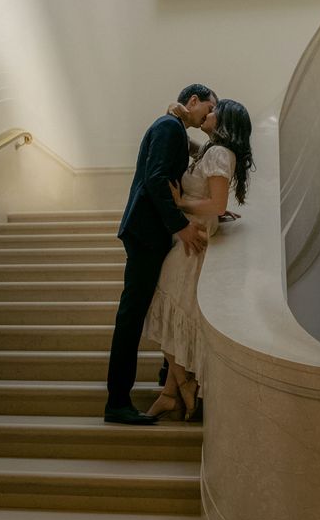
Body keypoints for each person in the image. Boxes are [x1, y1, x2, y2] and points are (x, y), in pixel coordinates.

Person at [104, 84, 217, 425]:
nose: (208, 115)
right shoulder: (169, 127)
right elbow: (155, 181)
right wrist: (180, 225)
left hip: (150, 233)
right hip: (146, 232)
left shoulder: (173, 127)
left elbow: (195, 161)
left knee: (156, 304)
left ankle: (167, 379)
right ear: (193, 100)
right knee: (132, 315)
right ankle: (118, 402)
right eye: (207, 108)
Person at [142, 99, 254, 420]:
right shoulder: (212, 150)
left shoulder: (219, 153)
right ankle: (172, 392)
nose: (209, 113)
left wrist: (182, 204)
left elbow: (217, 205)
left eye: (215, 111)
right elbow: (194, 153)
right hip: (190, 240)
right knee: (169, 310)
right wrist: (177, 117)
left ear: (225, 122)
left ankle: (183, 385)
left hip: (193, 243)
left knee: (165, 306)